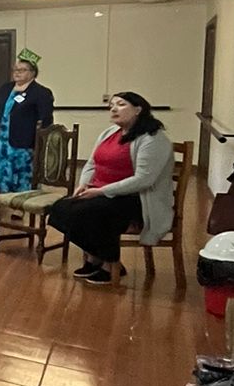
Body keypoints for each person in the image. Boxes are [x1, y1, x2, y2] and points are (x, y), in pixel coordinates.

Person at [48, 93, 174, 286]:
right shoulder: (110, 132)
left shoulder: (153, 138)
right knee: (60, 209)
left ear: (138, 109)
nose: (114, 109)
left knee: (92, 212)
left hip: (136, 199)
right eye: (111, 105)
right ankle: (95, 257)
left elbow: (144, 180)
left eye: (121, 104)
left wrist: (101, 191)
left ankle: (110, 265)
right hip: (101, 192)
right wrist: (84, 184)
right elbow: (92, 163)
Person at [0, 50, 54, 195]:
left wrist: (38, 142)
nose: (17, 73)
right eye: (15, 69)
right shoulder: (6, 88)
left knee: (20, 178)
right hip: (2, 143)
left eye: (22, 70)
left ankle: (18, 204)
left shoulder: (41, 92)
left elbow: (46, 120)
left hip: (23, 144)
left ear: (33, 73)